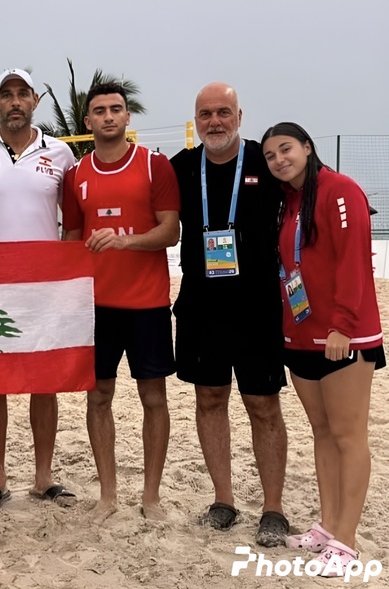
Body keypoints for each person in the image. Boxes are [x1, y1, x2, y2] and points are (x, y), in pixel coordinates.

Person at [169, 82, 289, 547]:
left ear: (240, 115)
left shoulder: (267, 162)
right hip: (201, 306)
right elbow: (155, 222)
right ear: (196, 120)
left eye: (223, 112)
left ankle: (273, 508)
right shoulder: (180, 168)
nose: (214, 122)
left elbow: (309, 202)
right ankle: (224, 500)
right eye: (205, 114)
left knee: (263, 405)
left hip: (259, 308)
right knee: (209, 400)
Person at [262, 122, 384, 576]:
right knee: (322, 433)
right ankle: (329, 527)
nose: (279, 160)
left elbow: (355, 262)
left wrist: (342, 327)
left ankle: (347, 541)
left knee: (349, 436)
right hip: (300, 335)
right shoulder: (289, 201)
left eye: (287, 149)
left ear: (308, 147)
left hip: (343, 338)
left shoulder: (339, 190)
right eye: (272, 155)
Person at [0, 69, 76, 508]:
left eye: (22, 93)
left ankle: (44, 477)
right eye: (6, 94)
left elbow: (75, 221)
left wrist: (67, 274)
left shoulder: (61, 154)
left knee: (44, 380)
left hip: (43, 286)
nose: (14, 101)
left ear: (35, 101)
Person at [62, 82, 180, 522]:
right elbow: (71, 239)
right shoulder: (76, 174)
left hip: (147, 303)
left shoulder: (154, 165)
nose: (108, 116)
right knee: (98, 398)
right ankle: (107, 495)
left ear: (128, 117)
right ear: (88, 121)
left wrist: (124, 243)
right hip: (94, 305)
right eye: (99, 110)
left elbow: (171, 231)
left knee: (153, 397)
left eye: (116, 109)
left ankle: (151, 496)